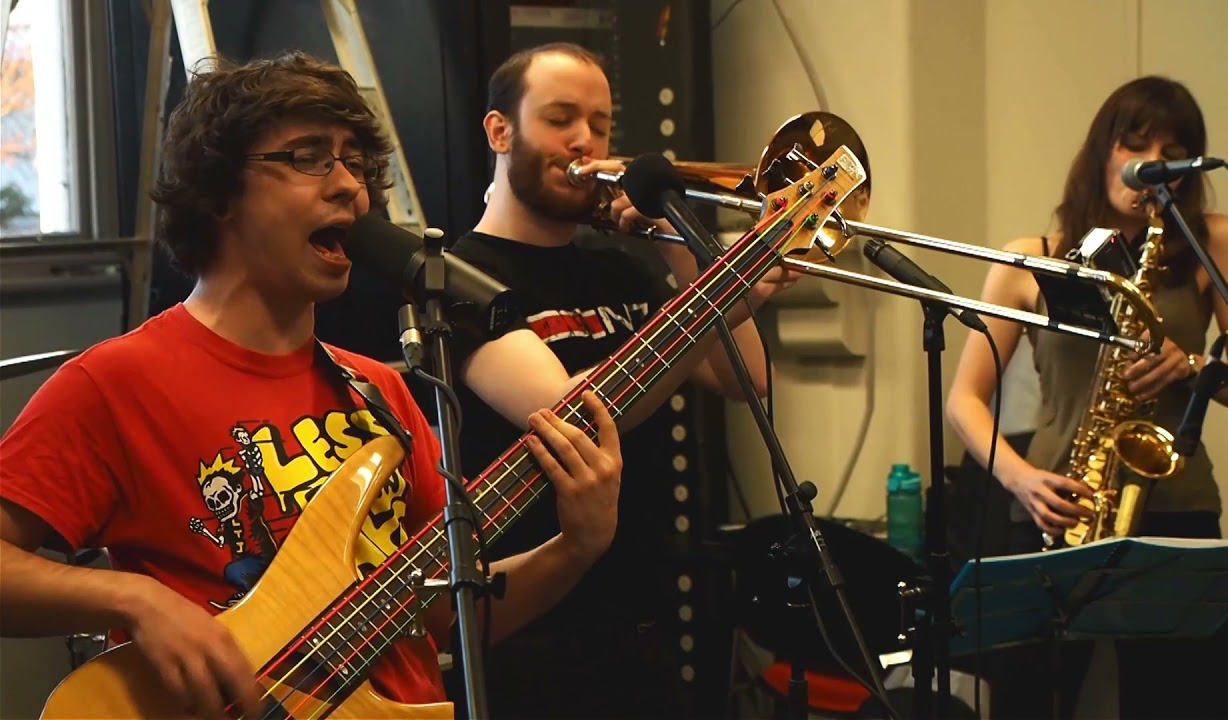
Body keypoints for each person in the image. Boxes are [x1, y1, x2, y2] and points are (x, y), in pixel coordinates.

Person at [0, 51, 624, 720]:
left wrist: (573, 549)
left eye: (355, 162)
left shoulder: (380, 390)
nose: (350, 187)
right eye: (309, 158)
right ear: (219, 193)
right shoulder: (115, 383)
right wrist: (135, 601)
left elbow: (448, 615)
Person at [441, 42, 796, 719]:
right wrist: (724, 298)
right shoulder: (461, 280)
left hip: (638, 622)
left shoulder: (621, 271)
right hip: (530, 638)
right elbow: (569, 413)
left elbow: (747, 374)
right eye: (561, 119)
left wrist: (673, 236)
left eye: (600, 124)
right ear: (500, 131)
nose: (586, 140)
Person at [945, 75, 1228, 719]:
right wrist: (1021, 481)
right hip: (1057, 507)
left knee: (1175, 704)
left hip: (1175, 508)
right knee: (1030, 703)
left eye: (1171, 152)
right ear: (1103, 151)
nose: (1151, 164)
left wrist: (1194, 366)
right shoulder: (1030, 259)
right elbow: (964, 400)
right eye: (1136, 144)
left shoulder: (1213, 241)